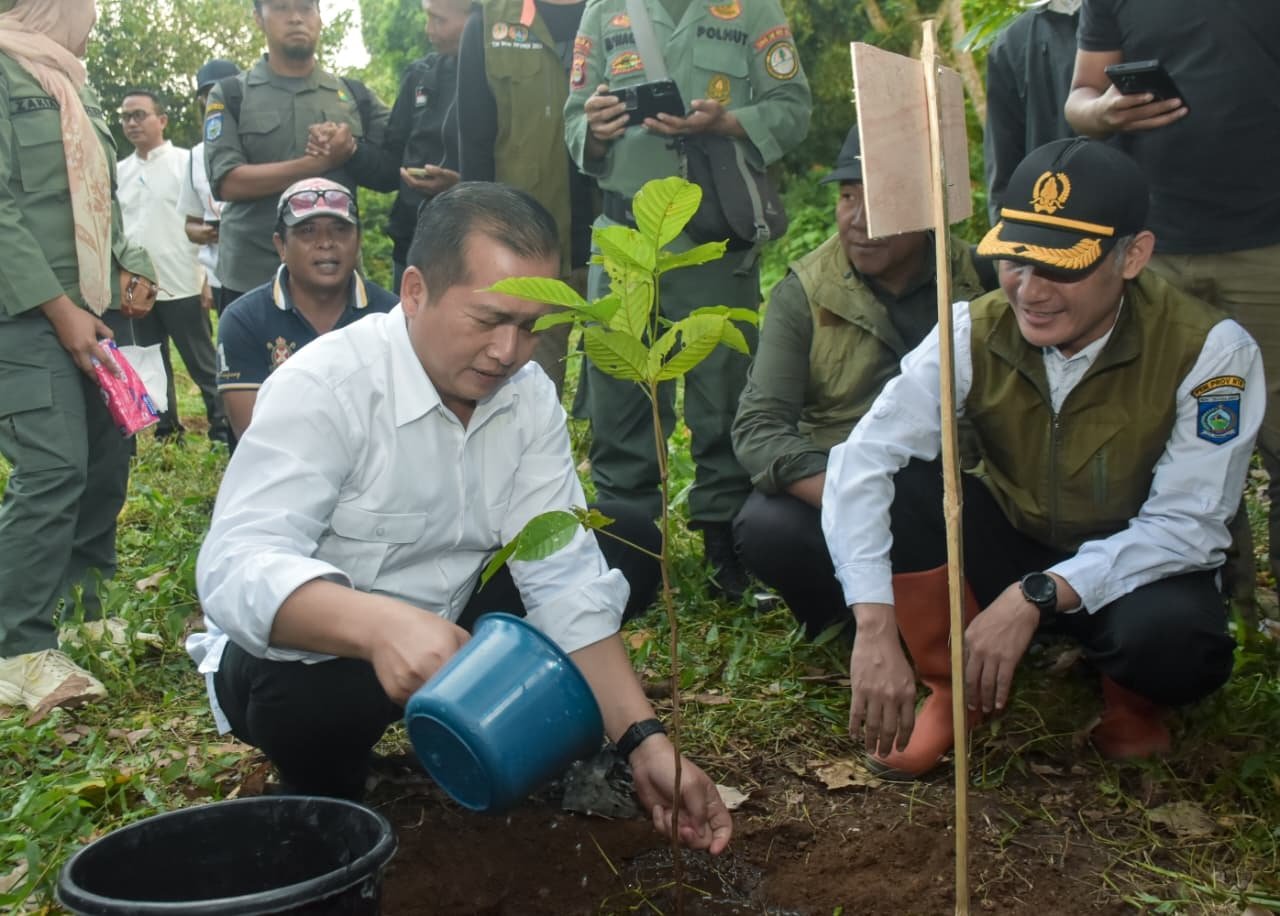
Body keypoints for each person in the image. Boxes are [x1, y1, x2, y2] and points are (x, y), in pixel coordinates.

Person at [191, 183, 726, 852]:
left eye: (530, 326)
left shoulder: (525, 397)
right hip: (327, 656)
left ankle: (520, 742)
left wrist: (644, 741)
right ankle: (325, 790)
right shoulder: (326, 386)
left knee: (624, 543)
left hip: (459, 631)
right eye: (488, 319)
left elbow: (563, 579)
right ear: (415, 291)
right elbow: (234, 567)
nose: (508, 351)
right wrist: (380, 626)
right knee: (304, 700)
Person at [822, 138, 1257, 778]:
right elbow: (862, 459)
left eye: (1060, 267)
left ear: (1133, 255)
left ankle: (1131, 700)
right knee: (907, 491)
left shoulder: (1211, 350)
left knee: (1176, 642)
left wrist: (1036, 595)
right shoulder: (972, 328)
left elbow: (1188, 524)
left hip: (1134, 565)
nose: (1030, 291)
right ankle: (954, 688)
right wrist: (873, 622)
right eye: (1014, 260)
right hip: (1014, 535)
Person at [565, 0, 811, 600]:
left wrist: (727, 122)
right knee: (618, 391)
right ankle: (631, 546)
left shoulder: (754, 11)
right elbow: (574, 122)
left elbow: (793, 110)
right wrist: (593, 130)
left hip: (712, 240)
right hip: (623, 241)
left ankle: (726, 542)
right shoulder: (604, 12)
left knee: (723, 391)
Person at [732, 126, 988, 638]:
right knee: (766, 527)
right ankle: (848, 624)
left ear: (926, 208)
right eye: (848, 196)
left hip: (955, 490)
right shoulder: (804, 292)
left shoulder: (981, 278)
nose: (859, 219)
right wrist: (854, 495)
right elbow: (758, 428)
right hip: (837, 479)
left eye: (881, 198)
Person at [1064, 1, 1280, 606]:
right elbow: (1080, 96)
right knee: (1167, 437)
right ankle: (1219, 611)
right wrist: (1105, 111)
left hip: (1269, 240)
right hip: (1151, 248)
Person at [0, 0, 158, 709]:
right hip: (22, 313)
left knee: (104, 458)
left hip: (87, 310)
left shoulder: (69, 80)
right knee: (54, 466)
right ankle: (17, 648)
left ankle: (84, 614)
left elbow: (98, 201)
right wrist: (59, 309)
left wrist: (127, 265)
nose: (93, 14)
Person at [205, 0, 396, 302]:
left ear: (319, 18)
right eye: (281, 7)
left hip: (336, 277)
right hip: (252, 278)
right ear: (258, 18)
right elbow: (228, 182)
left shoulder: (354, 95)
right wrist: (316, 164)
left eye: (306, 8)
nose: (295, 18)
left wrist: (351, 148)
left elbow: (396, 162)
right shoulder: (231, 93)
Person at [456, 0, 593, 395]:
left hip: (618, 252)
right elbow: (475, 154)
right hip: (525, 259)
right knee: (521, 400)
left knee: (627, 402)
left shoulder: (624, 13)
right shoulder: (489, 24)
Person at [216, 178, 398, 439]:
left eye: (340, 230)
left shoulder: (392, 317)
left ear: (358, 241)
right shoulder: (244, 320)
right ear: (281, 246)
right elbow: (254, 434)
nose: (326, 243)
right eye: (308, 231)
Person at [117, 87, 225, 444]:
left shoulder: (186, 163)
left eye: (139, 115)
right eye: (126, 117)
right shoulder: (120, 172)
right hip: (138, 289)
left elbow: (205, 221)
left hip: (183, 282)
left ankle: (222, 428)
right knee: (151, 363)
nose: (132, 123)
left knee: (202, 362)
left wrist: (207, 278)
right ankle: (166, 433)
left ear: (161, 120)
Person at [384, 0, 467, 293]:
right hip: (411, 245)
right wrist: (350, 150)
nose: (429, 30)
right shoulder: (419, 74)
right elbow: (389, 159)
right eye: (428, 17)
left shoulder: (501, 79)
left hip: (469, 248)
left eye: (440, 20)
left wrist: (461, 186)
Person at [983, 0, 1081, 223]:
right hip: (1049, 220)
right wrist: (1004, 232)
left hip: (1138, 220)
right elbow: (1003, 161)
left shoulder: (1134, 19)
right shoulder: (1011, 45)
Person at [178, 58, 239, 315]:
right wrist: (202, 232)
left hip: (266, 271)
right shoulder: (196, 155)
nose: (215, 100)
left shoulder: (262, 143)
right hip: (220, 277)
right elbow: (191, 223)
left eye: (222, 91)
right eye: (207, 95)